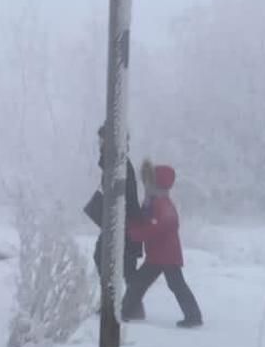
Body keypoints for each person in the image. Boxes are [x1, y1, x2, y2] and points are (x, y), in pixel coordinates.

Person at [123, 160, 204, 328]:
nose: (145, 185)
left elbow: (161, 225)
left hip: (165, 255)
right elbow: (151, 223)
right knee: (143, 283)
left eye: (148, 181)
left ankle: (194, 316)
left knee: (167, 284)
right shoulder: (154, 201)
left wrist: (136, 234)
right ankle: (125, 310)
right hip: (159, 254)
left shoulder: (161, 203)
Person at [83, 125, 143, 281]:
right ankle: (114, 303)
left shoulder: (119, 164)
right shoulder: (116, 163)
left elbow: (120, 197)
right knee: (125, 275)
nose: (99, 144)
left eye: (102, 140)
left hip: (124, 227)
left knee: (124, 273)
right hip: (122, 226)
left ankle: (113, 303)